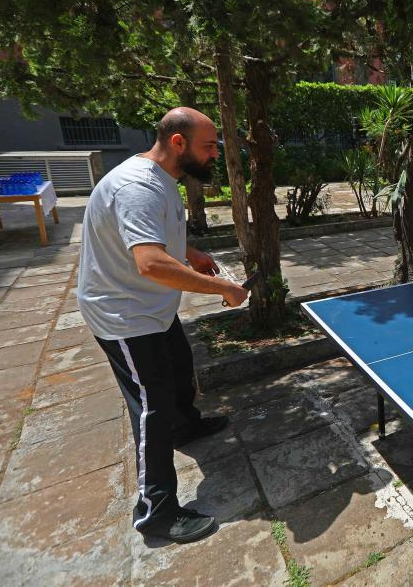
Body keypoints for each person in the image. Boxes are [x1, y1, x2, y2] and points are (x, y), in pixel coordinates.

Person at [78, 108, 250, 544]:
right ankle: (155, 512)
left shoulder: (161, 180)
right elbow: (150, 262)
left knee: (179, 365)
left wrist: (190, 253)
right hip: (124, 315)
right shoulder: (138, 187)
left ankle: (184, 425)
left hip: (149, 307)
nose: (215, 154)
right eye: (209, 146)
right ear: (178, 143)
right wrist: (223, 290)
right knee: (150, 405)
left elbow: (153, 238)